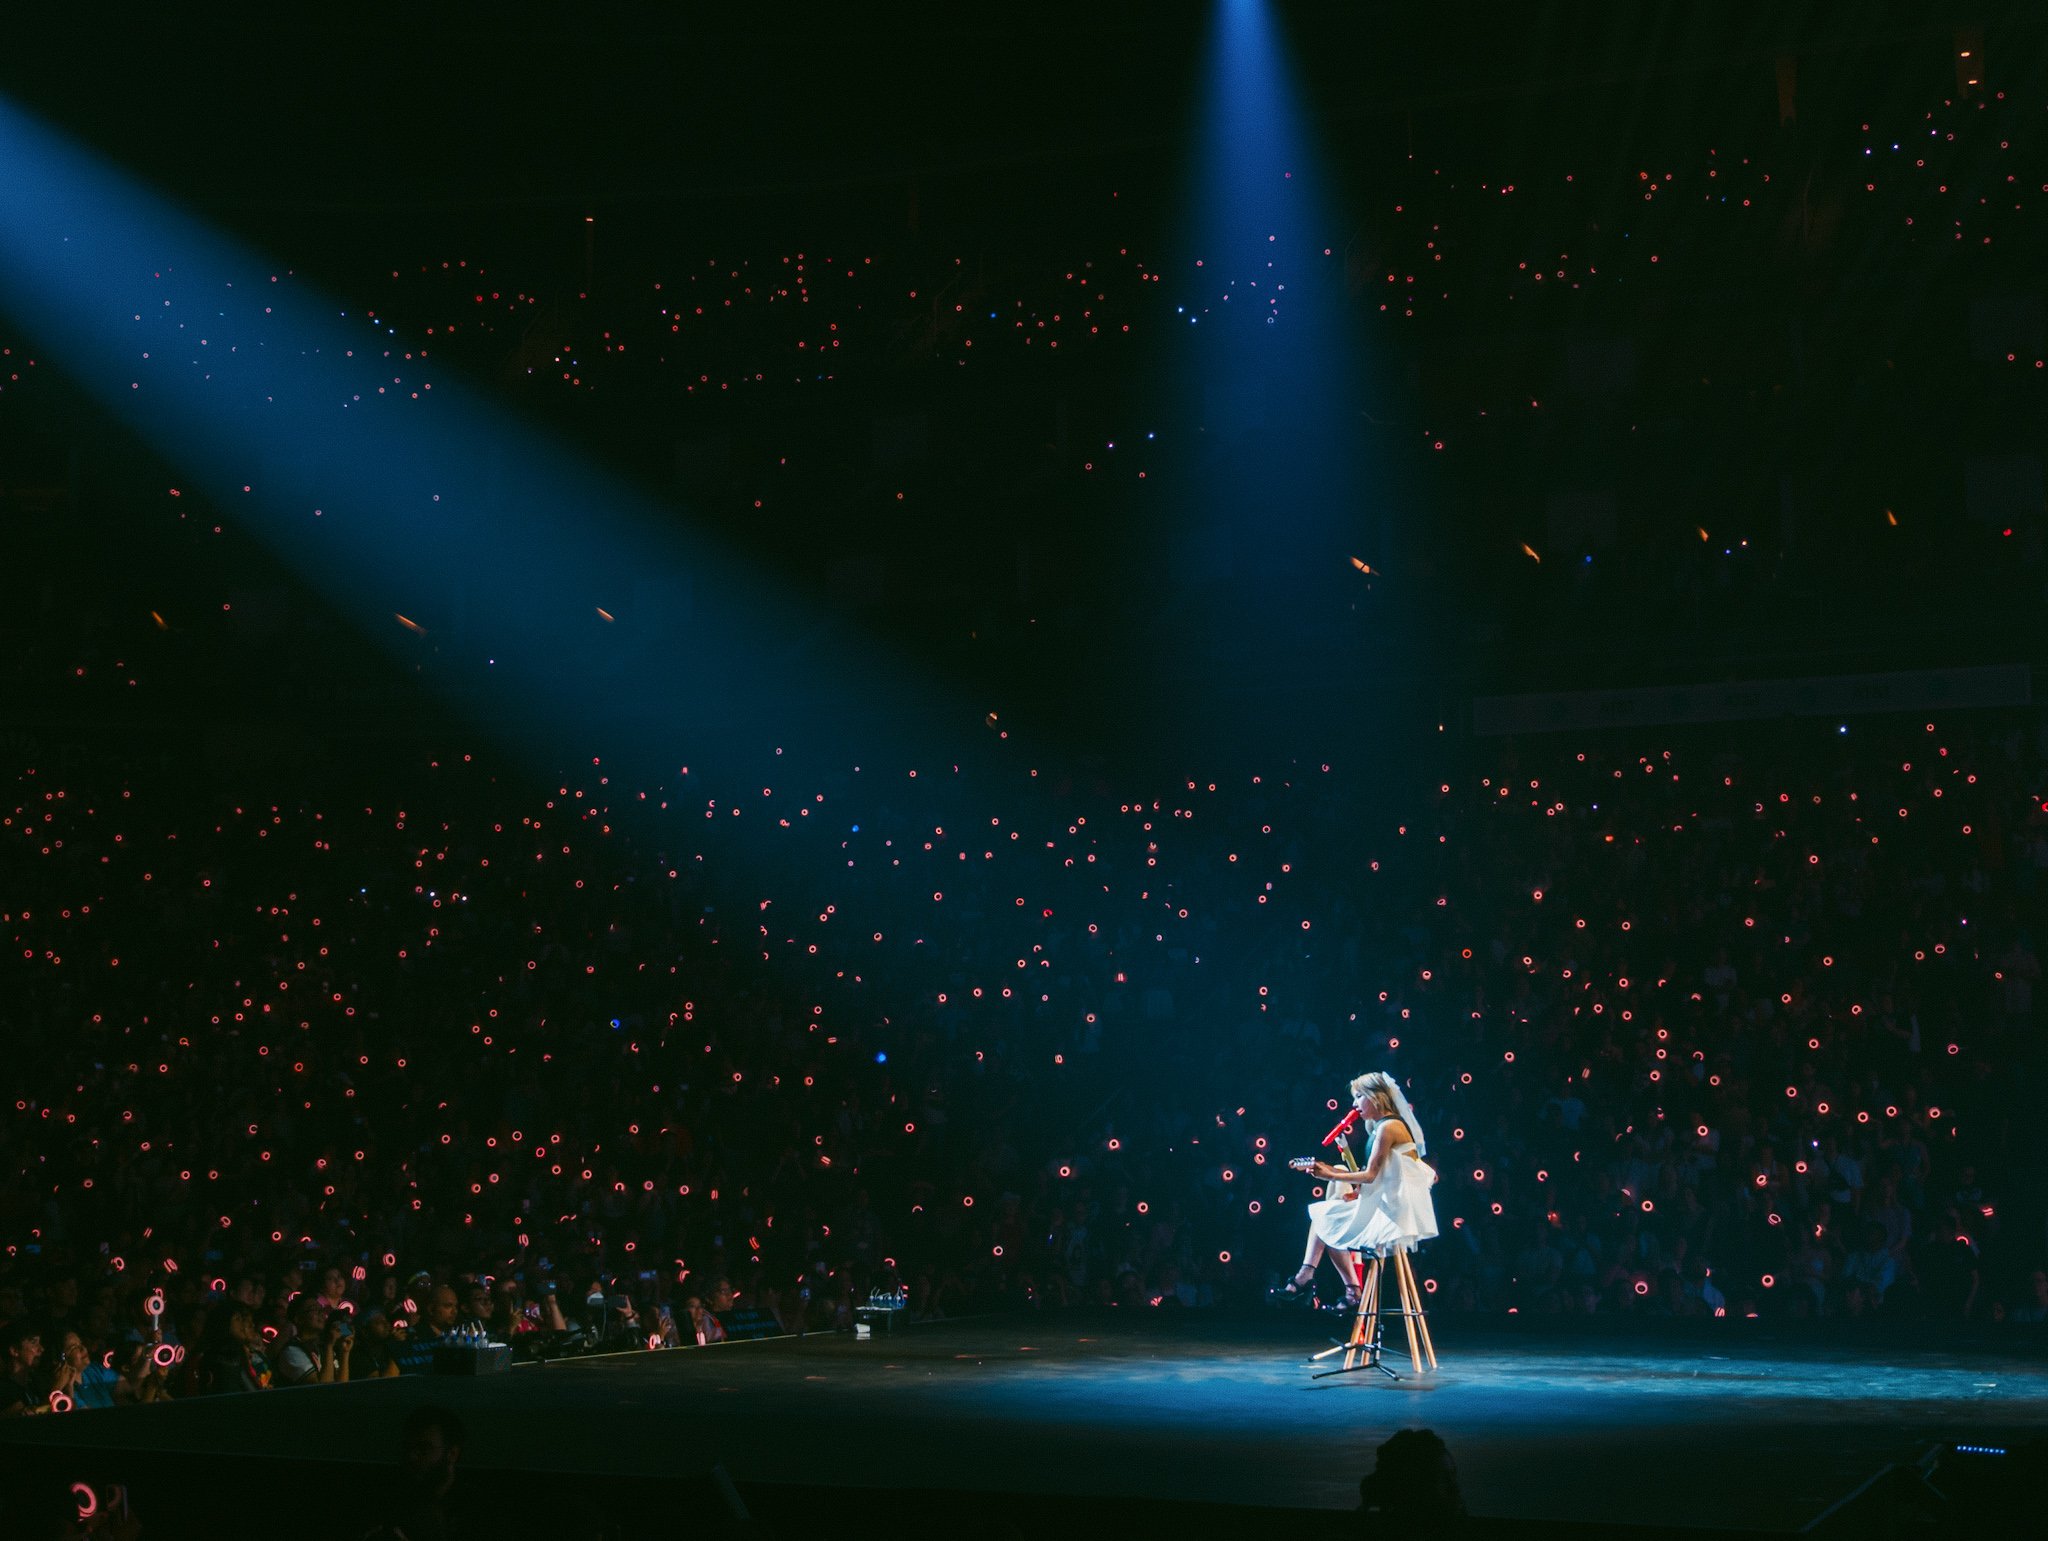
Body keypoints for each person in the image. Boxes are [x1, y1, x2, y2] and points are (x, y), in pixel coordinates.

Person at [1286, 1072, 1439, 1297]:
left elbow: (1370, 1176)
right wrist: (1331, 1173)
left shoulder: (1389, 1127)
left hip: (1392, 1212)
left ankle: (1318, 1277)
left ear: (1376, 1097)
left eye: (1359, 1096)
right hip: (1385, 1202)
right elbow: (1381, 1177)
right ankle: (1337, 1284)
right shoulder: (1378, 1127)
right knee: (1333, 1195)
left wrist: (1329, 1175)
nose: (1354, 1104)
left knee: (1325, 1217)